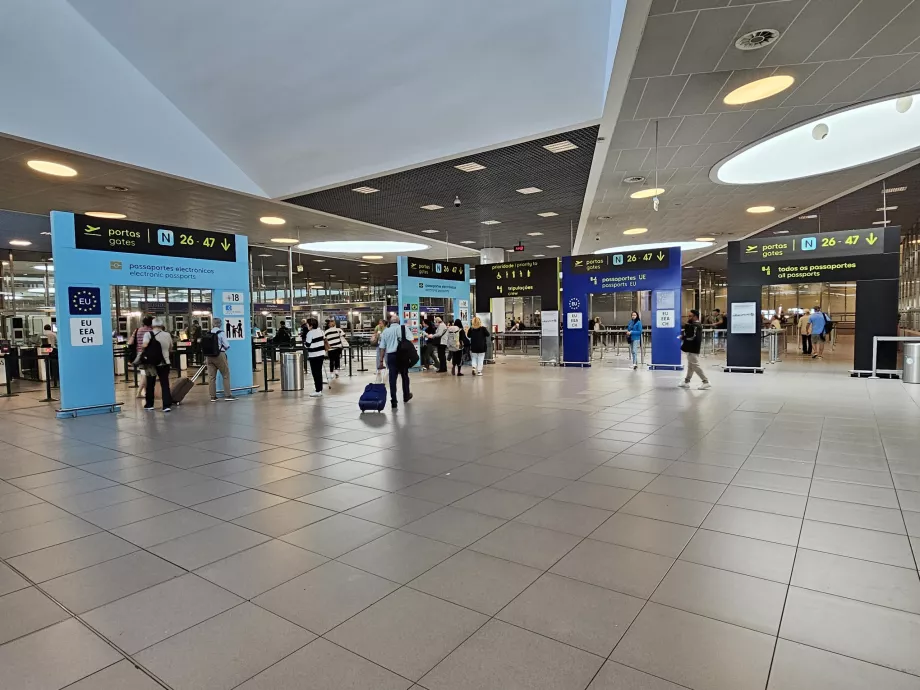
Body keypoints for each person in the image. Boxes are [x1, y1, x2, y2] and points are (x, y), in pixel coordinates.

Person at [377, 314, 412, 409]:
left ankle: (394, 401)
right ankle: (406, 395)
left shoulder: (386, 331)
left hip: (391, 356)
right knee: (405, 376)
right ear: (398, 321)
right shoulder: (404, 329)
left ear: (389, 322)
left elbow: (382, 347)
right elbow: (410, 340)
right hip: (403, 356)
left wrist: (381, 361)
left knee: (392, 378)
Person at [142, 319, 174, 411]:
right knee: (165, 383)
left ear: (152, 325)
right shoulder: (167, 335)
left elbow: (144, 345)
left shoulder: (148, 334)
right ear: (161, 325)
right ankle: (166, 405)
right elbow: (171, 348)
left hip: (151, 363)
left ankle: (149, 404)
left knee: (150, 383)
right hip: (165, 362)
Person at [202, 317, 235, 402]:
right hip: (219, 355)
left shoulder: (208, 333)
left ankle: (213, 396)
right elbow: (227, 345)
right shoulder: (221, 333)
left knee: (211, 377)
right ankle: (228, 395)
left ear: (212, 324)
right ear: (220, 324)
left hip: (209, 356)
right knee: (225, 375)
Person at [679, 309, 710, 390]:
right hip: (690, 348)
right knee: (691, 366)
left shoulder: (696, 326)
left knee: (695, 365)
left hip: (692, 348)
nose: (688, 317)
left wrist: (683, 337)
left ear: (695, 316)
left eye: (690, 316)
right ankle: (686, 381)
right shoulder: (693, 325)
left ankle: (705, 381)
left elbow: (693, 337)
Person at [303, 317, 327, 397]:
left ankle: (318, 390)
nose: (306, 325)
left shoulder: (310, 333)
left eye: (307, 324)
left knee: (315, 373)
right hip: (321, 354)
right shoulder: (321, 331)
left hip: (314, 355)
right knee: (319, 372)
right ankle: (319, 389)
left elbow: (307, 345)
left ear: (311, 325)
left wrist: (304, 343)